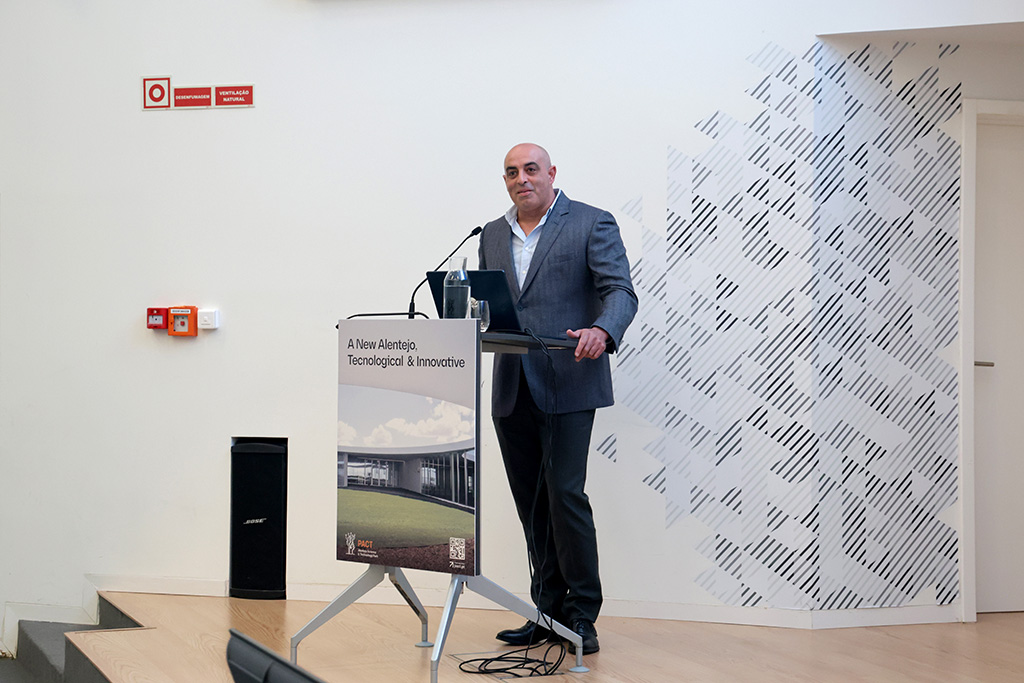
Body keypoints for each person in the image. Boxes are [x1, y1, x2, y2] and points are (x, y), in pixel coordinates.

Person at [479, 143, 637, 655]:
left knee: (565, 496)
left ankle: (581, 617)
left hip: (569, 378)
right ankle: (545, 612)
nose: (521, 179)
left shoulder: (591, 222)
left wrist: (602, 330)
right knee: (531, 503)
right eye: (511, 172)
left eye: (530, 169)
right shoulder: (492, 234)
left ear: (551, 173)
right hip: (511, 385)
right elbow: (492, 307)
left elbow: (620, 292)